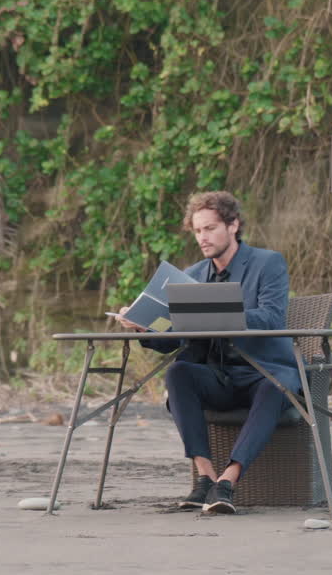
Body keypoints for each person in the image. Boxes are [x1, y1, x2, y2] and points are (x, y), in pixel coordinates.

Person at [117, 191, 297, 514]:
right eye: (198, 230)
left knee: (274, 387)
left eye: (210, 228)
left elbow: (271, 317)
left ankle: (227, 482)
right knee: (179, 372)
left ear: (233, 225)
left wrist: (221, 313)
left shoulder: (268, 263)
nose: (203, 237)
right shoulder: (193, 275)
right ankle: (205, 478)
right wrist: (144, 327)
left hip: (264, 373)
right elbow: (175, 339)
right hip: (219, 377)